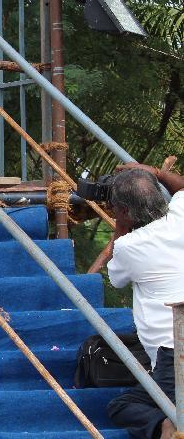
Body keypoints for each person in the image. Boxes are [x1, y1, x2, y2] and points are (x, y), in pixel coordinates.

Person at [105, 161, 184, 439]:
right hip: (174, 351)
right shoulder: (181, 216)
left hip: (176, 355)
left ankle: (169, 424)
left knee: (122, 405)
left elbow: (115, 279)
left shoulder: (128, 246)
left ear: (124, 211)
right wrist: (159, 173)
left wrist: (120, 226)